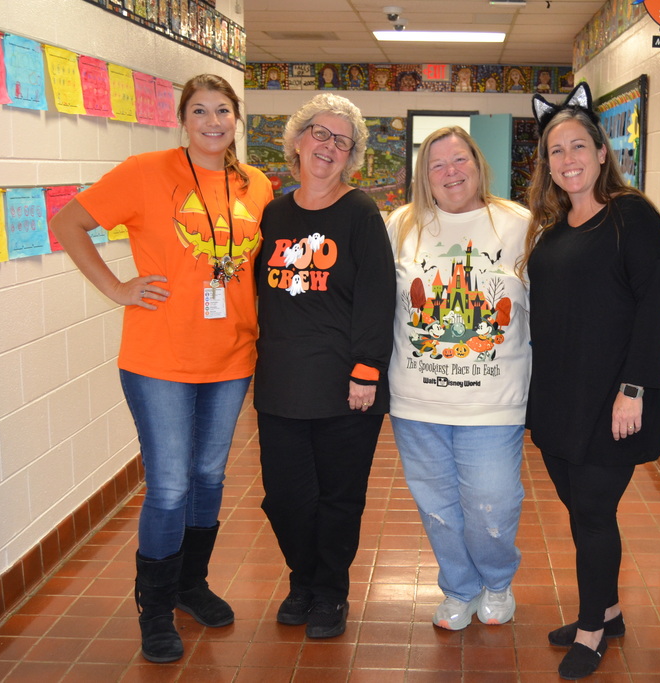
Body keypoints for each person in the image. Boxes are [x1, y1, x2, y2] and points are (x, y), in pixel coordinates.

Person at [49, 74, 273, 663]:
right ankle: (153, 608)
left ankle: (188, 585)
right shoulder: (144, 171)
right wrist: (117, 288)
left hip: (231, 356)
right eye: (200, 111)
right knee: (170, 486)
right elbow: (68, 222)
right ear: (182, 120)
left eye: (223, 110)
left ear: (237, 120)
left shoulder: (257, 185)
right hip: (160, 360)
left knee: (208, 477)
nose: (213, 121)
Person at [521, 83, 660, 679]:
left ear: (602, 152)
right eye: (556, 151)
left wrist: (632, 389)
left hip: (613, 398)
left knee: (592, 513)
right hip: (561, 397)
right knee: (580, 509)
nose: (568, 160)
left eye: (578, 146)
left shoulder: (629, 216)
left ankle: (591, 629)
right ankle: (606, 610)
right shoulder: (554, 229)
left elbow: (653, 305)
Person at [254, 93, 395, 640]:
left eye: (343, 141)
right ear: (296, 140)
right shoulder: (272, 214)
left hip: (346, 386)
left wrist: (368, 369)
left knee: (340, 497)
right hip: (281, 383)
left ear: (352, 156)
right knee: (285, 496)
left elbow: (377, 296)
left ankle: (329, 590)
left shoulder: (360, 212)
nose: (329, 146)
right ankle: (302, 577)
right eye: (320, 133)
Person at [386, 127, 531, 631]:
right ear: (423, 174)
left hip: (493, 401)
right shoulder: (401, 223)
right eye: (437, 164)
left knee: (492, 502)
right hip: (415, 399)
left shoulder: (518, 223)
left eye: (459, 159)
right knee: (438, 507)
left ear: (478, 162)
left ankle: (496, 581)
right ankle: (459, 588)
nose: (450, 172)